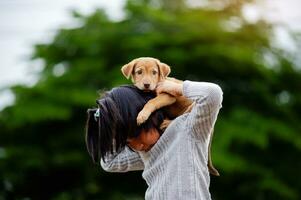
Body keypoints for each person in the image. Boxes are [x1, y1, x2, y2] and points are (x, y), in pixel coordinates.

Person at [86, 80, 223, 200]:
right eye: (127, 142)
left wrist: (175, 88)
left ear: (149, 115)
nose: (136, 145)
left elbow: (212, 94)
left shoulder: (188, 128)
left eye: (135, 134)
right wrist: (108, 122)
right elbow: (109, 162)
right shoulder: (144, 152)